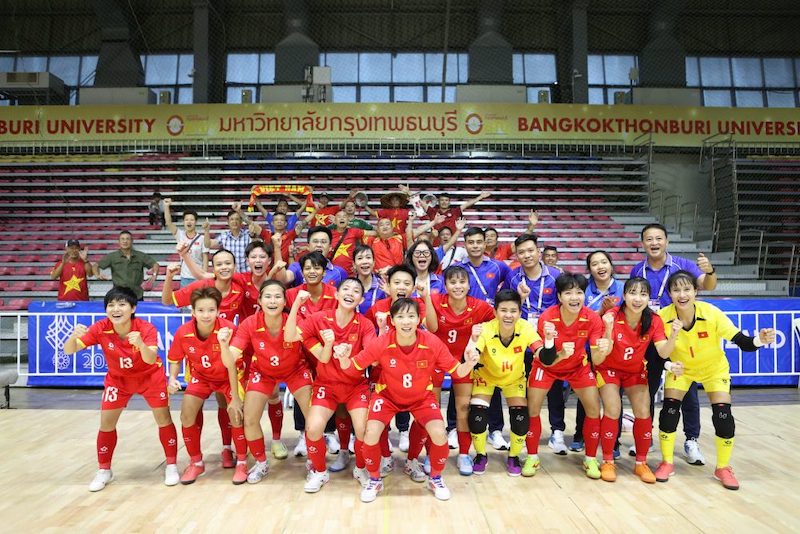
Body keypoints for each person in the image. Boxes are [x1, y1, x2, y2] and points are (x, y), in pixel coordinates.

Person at [338, 297, 480, 502]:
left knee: (439, 434)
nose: (406, 321)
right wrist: (343, 358)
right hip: (387, 396)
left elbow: (457, 372)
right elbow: (353, 368)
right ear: (393, 321)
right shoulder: (382, 342)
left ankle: (436, 479)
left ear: (419, 319)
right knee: (370, 433)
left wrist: (469, 363)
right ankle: (375, 480)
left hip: (421, 397)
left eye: (411, 316)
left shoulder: (431, 342)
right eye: (401, 317)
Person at [654, 270, 776, 490]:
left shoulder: (711, 312)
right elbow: (655, 354)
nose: (682, 294)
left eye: (687, 289)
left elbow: (742, 341)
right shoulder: (662, 317)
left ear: (695, 291)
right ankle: (667, 462)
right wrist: (669, 365)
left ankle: (723, 467)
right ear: (670, 294)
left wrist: (759, 340)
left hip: (714, 369)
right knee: (669, 413)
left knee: (723, 415)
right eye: (676, 290)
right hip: (681, 370)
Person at [63, 286, 179, 491]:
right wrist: (72, 337)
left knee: (164, 419)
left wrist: (141, 344)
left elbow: (150, 358)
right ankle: (104, 470)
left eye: (122, 304)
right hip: (118, 380)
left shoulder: (146, 328)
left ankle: (171, 465)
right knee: (106, 423)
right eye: (111, 305)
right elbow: (70, 351)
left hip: (150, 377)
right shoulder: (100, 327)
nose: (116, 309)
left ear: (133, 308)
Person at [631, 223, 715, 463]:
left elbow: (708, 285)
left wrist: (709, 272)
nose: (654, 243)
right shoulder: (638, 269)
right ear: (643, 243)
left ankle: (691, 440)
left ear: (666, 241)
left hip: (679, 338)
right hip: (650, 339)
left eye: (659, 238)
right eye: (649, 239)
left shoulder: (683, 265)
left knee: (686, 391)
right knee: (645, 392)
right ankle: (644, 439)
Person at [285, 278, 377, 494]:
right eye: (346, 289)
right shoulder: (318, 319)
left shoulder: (365, 324)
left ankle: (361, 469)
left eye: (356, 291)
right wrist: (297, 305)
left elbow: (373, 358)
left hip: (356, 386)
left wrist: (348, 356)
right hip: (326, 385)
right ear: (336, 294)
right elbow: (289, 336)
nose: (350, 293)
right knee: (313, 427)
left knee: (363, 429)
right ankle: (319, 471)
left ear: (361, 299)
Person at [224, 280, 314, 484]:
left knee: (313, 418)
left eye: (277, 296)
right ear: (260, 300)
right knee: (249, 419)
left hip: (296, 369)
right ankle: (261, 463)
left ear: (284, 301)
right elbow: (230, 359)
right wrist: (223, 344)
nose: (272, 300)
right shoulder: (249, 323)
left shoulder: (296, 319)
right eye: (268, 296)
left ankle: (315, 463)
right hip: (263, 371)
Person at [525, 273, 612, 479]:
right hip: (546, 366)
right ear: (559, 296)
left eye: (579, 292)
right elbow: (546, 359)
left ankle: (590, 459)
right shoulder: (548, 317)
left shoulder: (592, 318)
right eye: (569, 293)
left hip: (577, 367)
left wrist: (605, 345)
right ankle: (531, 456)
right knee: (532, 409)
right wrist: (562, 353)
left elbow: (597, 360)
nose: (575, 297)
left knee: (593, 409)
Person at [164, 249, 245, 467]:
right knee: (189, 410)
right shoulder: (200, 290)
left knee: (231, 408)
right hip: (202, 367)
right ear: (194, 310)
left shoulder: (240, 290)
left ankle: (233, 454)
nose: (224, 267)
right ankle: (196, 462)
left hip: (227, 362)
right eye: (219, 264)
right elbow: (168, 301)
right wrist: (172, 378)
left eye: (228, 263)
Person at [592, 277, 677, 483]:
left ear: (649, 298)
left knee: (643, 411)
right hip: (608, 368)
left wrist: (674, 334)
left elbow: (663, 352)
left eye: (643, 294)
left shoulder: (654, 320)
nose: (637, 298)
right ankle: (608, 461)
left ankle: (641, 462)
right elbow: (605, 351)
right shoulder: (611, 316)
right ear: (624, 296)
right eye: (632, 293)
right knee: (613, 409)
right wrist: (609, 329)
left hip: (635, 370)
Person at [464, 289, 544, 476]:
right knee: (477, 416)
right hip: (486, 376)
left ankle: (514, 456)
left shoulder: (525, 328)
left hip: (513, 379)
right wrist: (472, 344)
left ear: (519, 311)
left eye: (513, 311)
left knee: (521, 418)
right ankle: (481, 455)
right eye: (504, 310)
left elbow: (542, 353)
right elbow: (471, 353)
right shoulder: (484, 328)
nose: (508, 315)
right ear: (495, 311)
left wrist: (548, 343)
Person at [430, 265, 495, 475]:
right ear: (445, 285)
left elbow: (498, 325)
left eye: (462, 282)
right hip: (436, 362)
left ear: (469, 284)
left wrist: (481, 334)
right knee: (431, 409)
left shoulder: (481, 307)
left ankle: (464, 454)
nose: (458, 286)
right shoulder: (433, 301)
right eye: (453, 282)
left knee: (463, 408)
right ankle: (433, 453)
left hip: (463, 362)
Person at [567, 250, 626, 453]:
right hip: (587, 349)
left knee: (614, 398)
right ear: (589, 269)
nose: (600, 267)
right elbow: (576, 315)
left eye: (604, 262)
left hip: (615, 350)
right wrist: (600, 311)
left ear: (611, 265)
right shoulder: (583, 288)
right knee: (587, 395)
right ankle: (580, 435)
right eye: (594, 264)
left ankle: (614, 441)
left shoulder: (622, 289)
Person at [95, 231, 159, 301]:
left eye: (127, 239)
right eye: (122, 239)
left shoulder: (140, 256)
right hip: (119, 294)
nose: (125, 241)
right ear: (118, 242)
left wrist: (154, 274)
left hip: (136, 294)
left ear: (132, 241)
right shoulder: (112, 256)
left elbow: (155, 264)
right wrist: (97, 274)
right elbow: (96, 265)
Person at [458, 227, 512, 306]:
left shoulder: (498, 266)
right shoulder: (456, 268)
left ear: (484, 244)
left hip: (490, 315)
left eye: (479, 242)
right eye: (471, 242)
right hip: (465, 315)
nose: (475, 246)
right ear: (465, 245)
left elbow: (512, 279)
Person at [283, 226, 349, 287]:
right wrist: (277, 247)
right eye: (315, 241)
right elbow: (284, 279)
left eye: (323, 242)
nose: (319, 245)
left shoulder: (339, 272)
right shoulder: (297, 267)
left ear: (330, 247)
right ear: (308, 246)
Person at [164, 199, 207, 287]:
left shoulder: (202, 238)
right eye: (186, 219)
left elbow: (205, 259)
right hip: (185, 278)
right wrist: (166, 206)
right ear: (183, 222)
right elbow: (168, 222)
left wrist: (204, 277)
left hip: (198, 277)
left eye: (192, 219)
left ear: (196, 222)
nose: (189, 222)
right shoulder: (180, 235)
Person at [204, 208, 251, 273]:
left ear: (241, 222)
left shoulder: (248, 235)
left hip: (245, 273)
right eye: (231, 219)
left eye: (237, 219)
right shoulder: (224, 235)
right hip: (230, 275)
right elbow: (208, 244)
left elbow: (254, 227)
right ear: (228, 222)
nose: (234, 221)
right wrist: (206, 231)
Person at [426, 191, 491, 232]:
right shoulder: (433, 212)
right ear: (438, 202)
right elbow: (421, 204)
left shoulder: (455, 211)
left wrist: (480, 197)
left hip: (451, 245)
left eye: (446, 200)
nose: (444, 202)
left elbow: (467, 204)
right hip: (435, 246)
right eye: (442, 200)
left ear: (449, 202)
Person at [353, 245, 386, 314]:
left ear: (374, 263)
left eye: (368, 257)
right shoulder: (348, 287)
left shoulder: (383, 286)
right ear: (354, 264)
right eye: (360, 258)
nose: (364, 261)